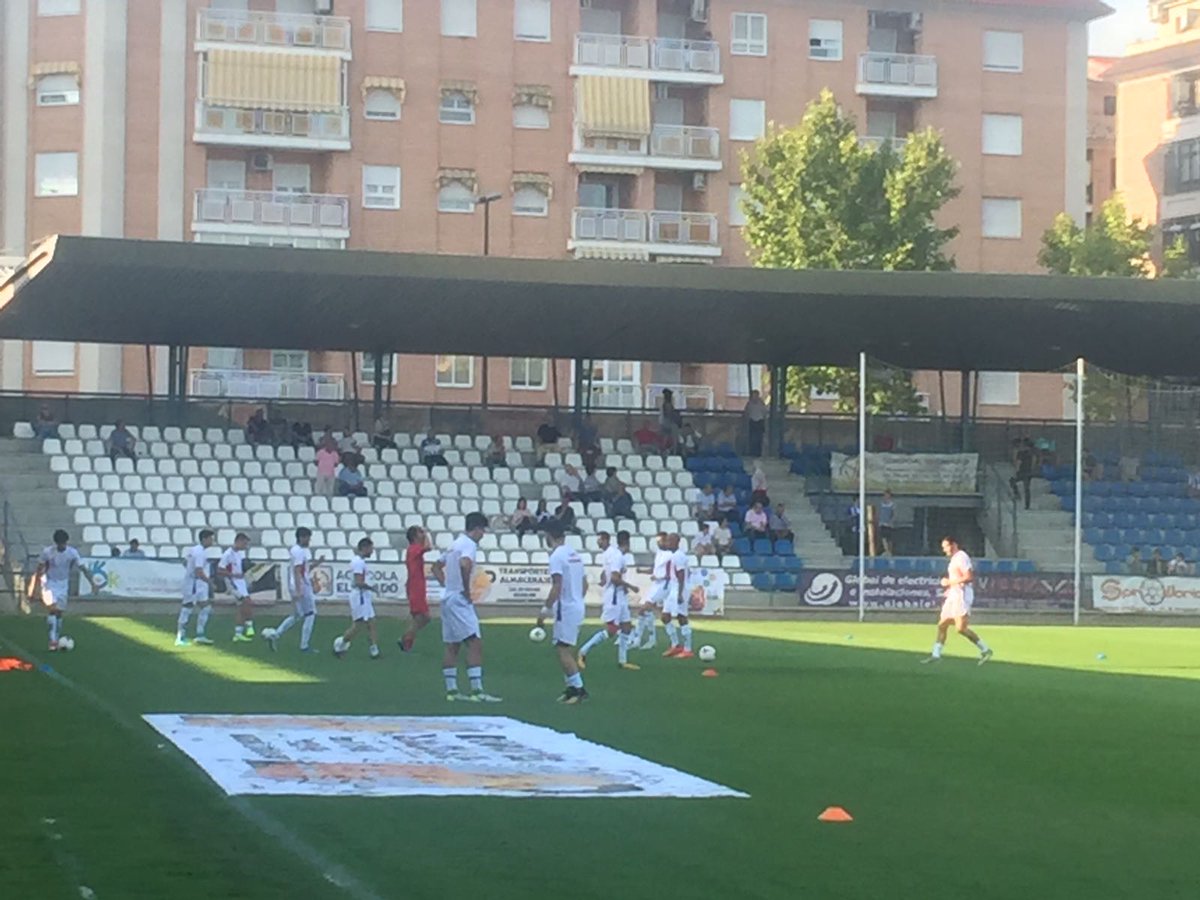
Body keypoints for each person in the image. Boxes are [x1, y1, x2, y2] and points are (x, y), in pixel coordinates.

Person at [432, 511, 501, 702]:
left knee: (452, 644)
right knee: (474, 642)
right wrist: (464, 589)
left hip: (447, 598)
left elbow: (435, 566)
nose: (483, 535)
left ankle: (452, 691)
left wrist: (447, 586)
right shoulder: (469, 545)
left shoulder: (455, 544)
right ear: (477, 528)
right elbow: (465, 564)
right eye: (482, 530)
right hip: (459, 600)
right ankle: (477, 691)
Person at [536, 523, 590, 703]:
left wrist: (545, 609)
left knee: (562, 649)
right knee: (566, 647)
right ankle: (570, 688)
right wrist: (577, 600)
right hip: (577, 605)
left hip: (565, 608)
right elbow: (585, 583)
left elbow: (557, 585)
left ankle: (579, 689)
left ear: (549, 535)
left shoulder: (556, 556)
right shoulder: (575, 554)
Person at [921, 535, 993, 665]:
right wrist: (949, 585)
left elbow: (969, 577)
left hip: (962, 594)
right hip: (953, 594)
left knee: (960, 628)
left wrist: (950, 582)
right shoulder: (954, 559)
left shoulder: (961, 557)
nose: (944, 550)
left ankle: (985, 649)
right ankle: (936, 654)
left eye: (946, 547)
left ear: (953, 545)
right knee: (942, 624)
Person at [577, 531, 641, 671]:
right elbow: (614, 578)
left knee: (626, 627)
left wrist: (603, 579)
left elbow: (606, 573)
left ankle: (622, 661)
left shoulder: (612, 554)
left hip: (619, 596)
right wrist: (631, 587)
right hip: (614, 598)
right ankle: (583, 651)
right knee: (612, 629)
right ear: (628, 542)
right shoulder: (617, 556)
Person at [30, 529, 99, 652]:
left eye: (63, 543)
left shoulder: (72, 553)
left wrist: (92, 583)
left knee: (59, 613)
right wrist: (34, 587)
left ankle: (56, 637)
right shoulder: (48, 552)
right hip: (49, 582)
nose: (62, 545)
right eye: (59, 543)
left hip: (63, 584)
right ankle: (52, 641)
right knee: (53, 609)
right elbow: (39, 569)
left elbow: (83, 568)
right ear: (56, 543)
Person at [266, 527, 321, 653]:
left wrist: (317, 563)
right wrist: (299, 589)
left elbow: (303, 570)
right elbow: (297, 571)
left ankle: (276, 634)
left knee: (297, 615)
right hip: (302, 586)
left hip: (296, 585)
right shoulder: (299, 552)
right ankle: (304, 645)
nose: (309, 540)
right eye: (307, 537)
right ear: (301, 537)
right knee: (310, 614)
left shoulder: (295, 551)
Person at [333, 538, 381, 660]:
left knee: (371, 622)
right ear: (364, 548)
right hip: (359, 596)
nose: (372, 551)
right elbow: (359, 582)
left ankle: (374, 649)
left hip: (363, 595)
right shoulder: (359, 563)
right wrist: (371, 588)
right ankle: (341, 644)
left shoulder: (359, 561)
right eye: (370, 548)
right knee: (358, 624)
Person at [176, 529, 216, 647]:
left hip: (196, 583)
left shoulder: (194, 550)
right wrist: (209, 582)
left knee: (206, 607)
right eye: (211, 539)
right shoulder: (199, 552)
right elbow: (199, 571)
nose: (212, 541)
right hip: (194, 584)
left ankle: (200, 635)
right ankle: (180, 637)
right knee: (187, 608)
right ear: (204, 539)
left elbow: (185, 562)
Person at [630, 533, 669, 651]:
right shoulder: (659, 554)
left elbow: (671, 573)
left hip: (663, 585)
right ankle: (641, 640)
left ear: (666, 541)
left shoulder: (670, 555)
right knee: (644, 611)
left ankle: (648, 639)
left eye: (661, 541)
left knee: (644, 609)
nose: (659, 543)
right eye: (657, 541)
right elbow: (655, 569)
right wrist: (643, 571)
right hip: (655, 585)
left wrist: (660, 578)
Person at [661, 533, 695, 659]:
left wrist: (681, 593)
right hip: (673, 587)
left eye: (670, 541)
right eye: (667, 541)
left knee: (682, 617)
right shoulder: (674, 556)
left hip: (679, 589)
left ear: (677, 542)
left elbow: (681, 575)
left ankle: (688, 648)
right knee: (665, 616)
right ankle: (675, 644)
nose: (667, 543)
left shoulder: (679, 556)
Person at [399, 526, 433, 652]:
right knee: (425, 617)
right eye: (419, 532)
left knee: (419, 617)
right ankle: (406, 638)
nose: (422, 534)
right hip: (416, 586)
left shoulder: (413, 550)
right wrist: (426, 534)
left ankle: (407, 640)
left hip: (417, 585)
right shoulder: (414, 549)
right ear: (414, 536)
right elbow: (429, 547)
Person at [218, 533, 254, 643]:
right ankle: (249, 626)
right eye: (244, 543)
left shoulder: (238, 554)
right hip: (233, 583)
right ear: (238, 541)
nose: (245, 546)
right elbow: (219, 570)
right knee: (246, 602)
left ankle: (238, 633)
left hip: (240, 582)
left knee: (242, 606)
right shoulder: (227, 554)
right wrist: (233, 575)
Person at [1009, 438, 1036, 510]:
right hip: (1028, 472)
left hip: (1022, 472)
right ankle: (1027, 505)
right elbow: (1034, 462)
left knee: (1012, 481)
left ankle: (1017, 493)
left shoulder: (1021, 453)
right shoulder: (1032, 454)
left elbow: (1018, 463)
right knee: (1027, 488)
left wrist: (1016, 471)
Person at [743, 389, 767, 457]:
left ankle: (758, 453)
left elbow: (764, 413)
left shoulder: (761, 403)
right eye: (753, 395)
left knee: (759, 439)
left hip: (760, 422)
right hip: (752, 422)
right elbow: (746, 413)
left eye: (756, 395)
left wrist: (764, 423)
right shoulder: (749, 403)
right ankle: (752, 452)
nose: (754, 397)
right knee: (752, 439)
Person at [659, 389, 682, 453]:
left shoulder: (664, 404)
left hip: (664, 423)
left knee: (666, 438)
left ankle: (664, 451)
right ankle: (674, 451)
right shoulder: (667, 404)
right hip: (669, 423)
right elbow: (668, 414)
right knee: (674, 438)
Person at [877, 490, 896, 556]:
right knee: (883, 538)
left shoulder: (892, 504)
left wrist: (891, 522)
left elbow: (893, 514)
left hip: (889, 524)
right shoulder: (882, 504)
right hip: (882, 523)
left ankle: (890, 552)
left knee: (889, 539)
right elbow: (880, 513)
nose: (885, 496)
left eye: (887, 495)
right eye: (884, 495)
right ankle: (886, 550)